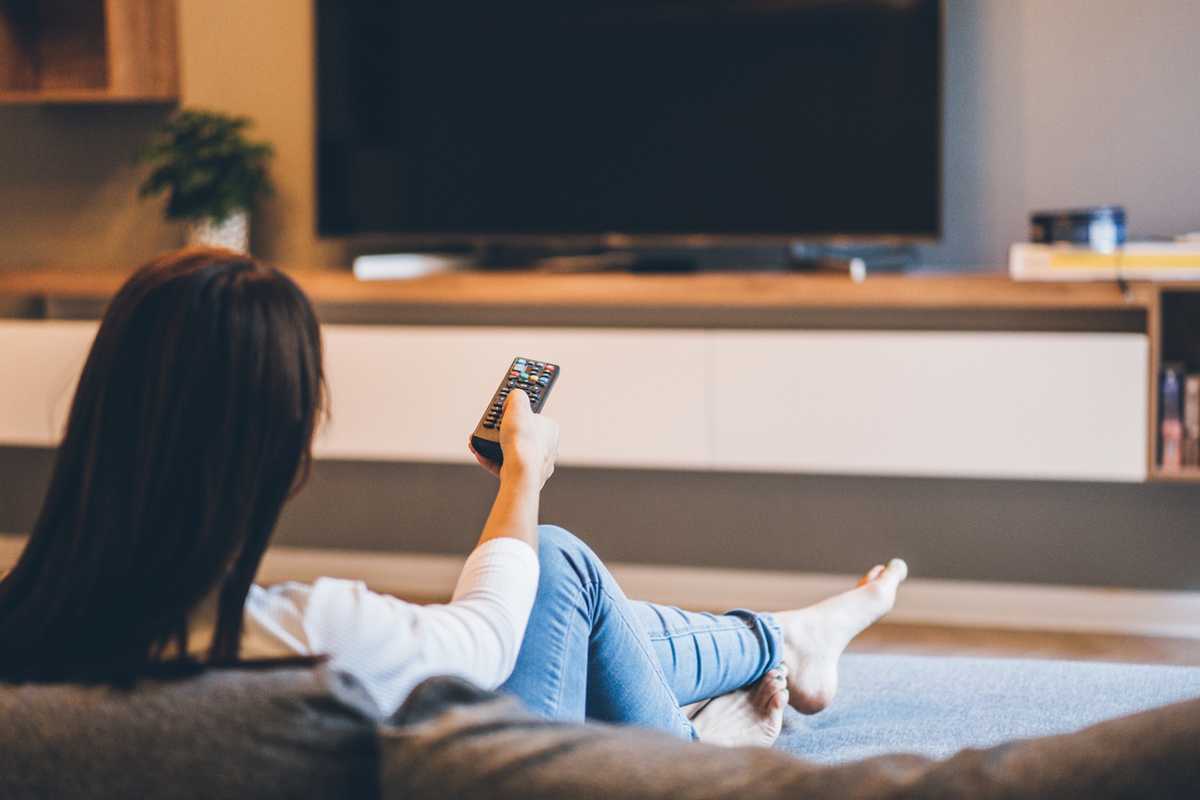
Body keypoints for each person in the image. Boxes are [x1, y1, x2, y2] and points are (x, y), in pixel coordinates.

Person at [0, 248, 906, 747]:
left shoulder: (27, 635)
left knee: (565, 596)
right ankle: (709, 739)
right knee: (556, 565)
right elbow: (484, 641)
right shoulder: (311, 634)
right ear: (282, 452)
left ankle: (780, 639)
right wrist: (522, 477)